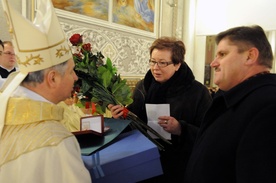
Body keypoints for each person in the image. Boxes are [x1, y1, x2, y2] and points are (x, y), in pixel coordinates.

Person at [0, 0, 91, 182]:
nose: (75, 78)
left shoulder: (5, 112)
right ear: (52, 78)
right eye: (71, 71)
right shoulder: (57, 141)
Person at [109, 37, 212, 183]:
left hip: (179, 167)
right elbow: (134, 125)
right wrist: (120, 118)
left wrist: (180, 128)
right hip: (144, 161)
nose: (155, 68)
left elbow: (209, 135)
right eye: (152, 61)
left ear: (177, 64)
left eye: (162, 63)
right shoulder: (142, 87)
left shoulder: (198, 92)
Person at [184, 25, 276, 183]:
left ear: (250, 56)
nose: (213, 63)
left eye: (222, 54)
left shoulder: (268, 106)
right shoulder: (231, 97)